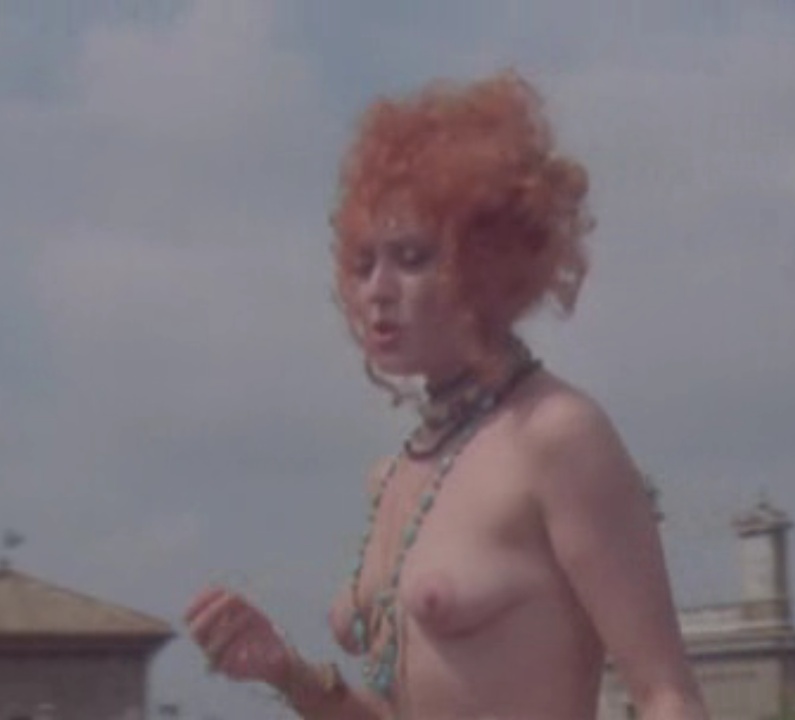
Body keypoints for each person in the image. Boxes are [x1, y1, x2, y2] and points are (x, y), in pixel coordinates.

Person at [185, 68, 708, 720]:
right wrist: (289, 674)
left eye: (411, 258)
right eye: (363, 263)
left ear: (490, 263)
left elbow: (666, 695)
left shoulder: (556, 435)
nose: (377, 290)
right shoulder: (394, 475)